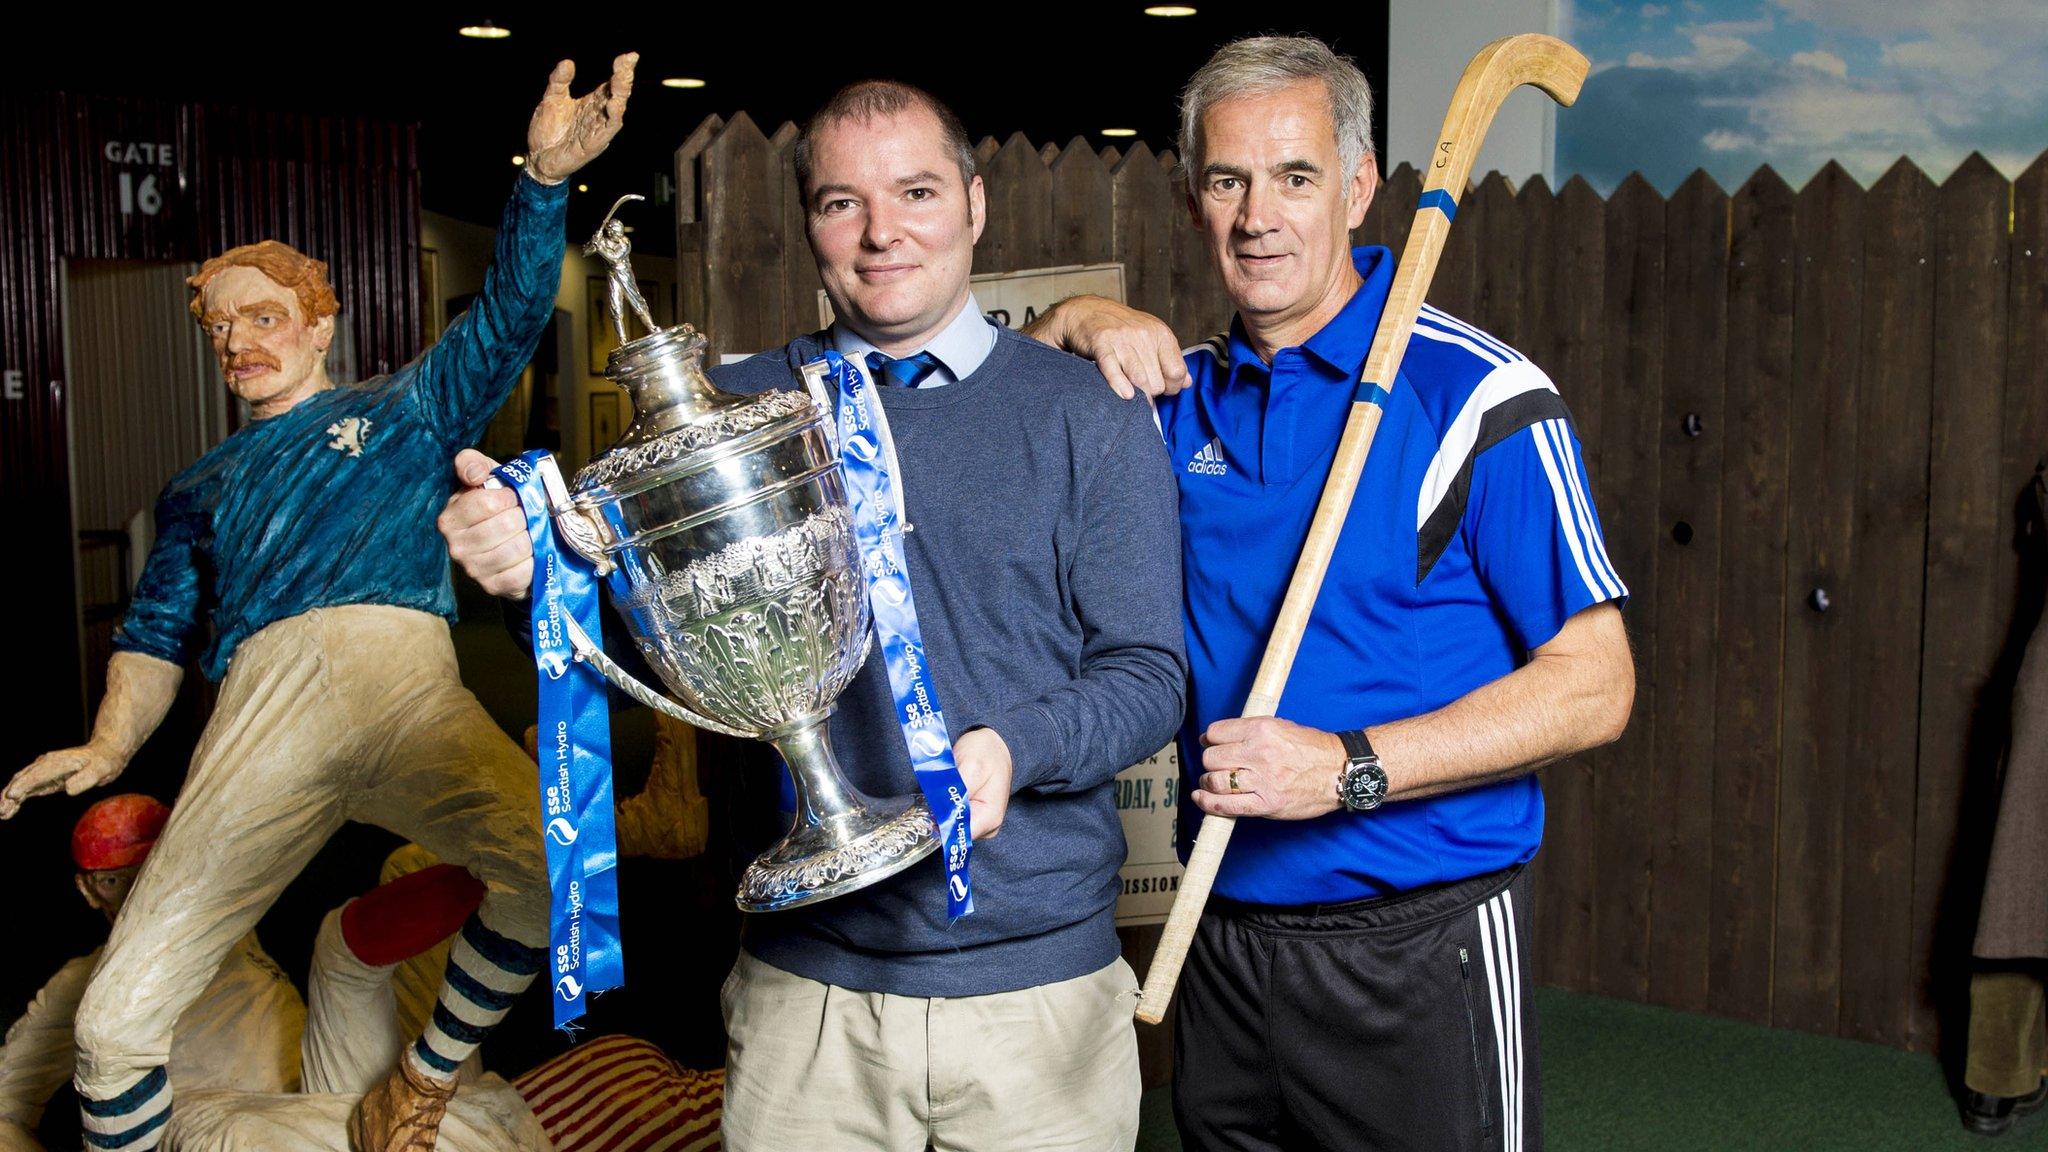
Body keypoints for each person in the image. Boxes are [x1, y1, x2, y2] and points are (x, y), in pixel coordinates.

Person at [436, 79, 1187, 1151]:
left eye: (916, 192)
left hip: (1035, 1001)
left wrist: (1011, 748)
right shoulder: (725, 416)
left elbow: (1149, 676)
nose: (882, 233)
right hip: (805, 1003)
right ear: (809, 226)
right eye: (842, 203)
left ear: (972, 206)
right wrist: (528, 586)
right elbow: (623, 643)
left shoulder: (1082, 410)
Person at [0, 55, 639, 1152]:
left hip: (404, 687)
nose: (239, 341)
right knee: (110, 1028)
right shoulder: (199, 486)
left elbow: (508, 314)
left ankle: (423, 1084)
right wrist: (108, 746)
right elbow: (155, 632)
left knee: (553, 867)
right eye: (219, 327)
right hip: (262, 716)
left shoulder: (406, 408)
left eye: (262, 316)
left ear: (317, 324)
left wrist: (540, 181)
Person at [1028, 35, 1636, 1152]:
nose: (1258, 214)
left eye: (1295, 176)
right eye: (1227, 180)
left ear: (1357, 188)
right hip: (1221, 931)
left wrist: (1347, 765)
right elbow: (995, 389)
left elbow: (1594, 688)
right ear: (1192, 199)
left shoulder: (1477, 397)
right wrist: (1068, 315)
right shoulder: (1169, 405)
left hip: (1416, 937)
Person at [0, 795, 303, 1152]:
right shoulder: (83, 985)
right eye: (112, 881)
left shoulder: (231, 925)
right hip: (205, 1135)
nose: (134, 898)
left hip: (304, 1118)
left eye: (146, 875)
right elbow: (6, 1107)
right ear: (87, 890)